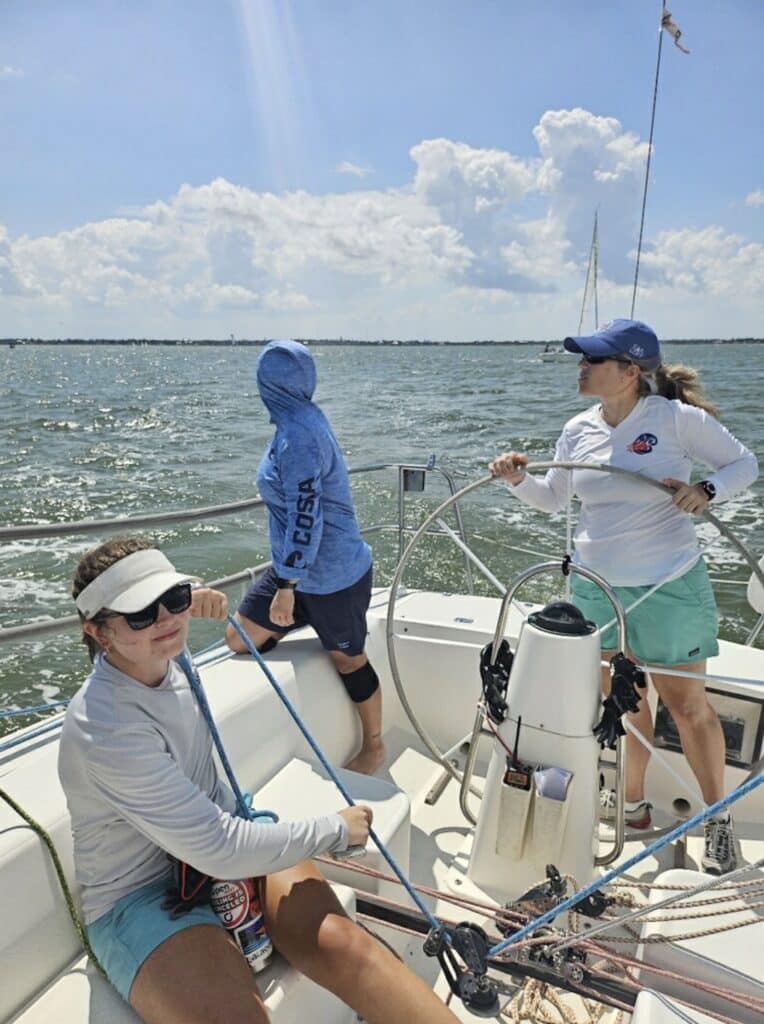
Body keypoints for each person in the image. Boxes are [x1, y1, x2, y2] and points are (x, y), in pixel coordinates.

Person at [58, 537, 459, 1024]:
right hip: (143, 892)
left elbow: (216, 836)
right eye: (140, 613)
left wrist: (176, 608)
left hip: (216, 836)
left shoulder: (159, 653)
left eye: (174, 599)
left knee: (348, 947)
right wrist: (334, 830)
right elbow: (218, 848)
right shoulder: (106, 728)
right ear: (98, 633)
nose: (165, 619)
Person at [489, 319, 758, 875]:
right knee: (626, 703)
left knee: (688, 709)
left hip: (667, 583)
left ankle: (717, 821)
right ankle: (630, 804)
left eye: (593, 359)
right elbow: (552, 498)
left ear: (631, 372)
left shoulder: (676, 420)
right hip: (598, 588)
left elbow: (743, 464)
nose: (581, 367)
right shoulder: (577, 430)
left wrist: (705, 490)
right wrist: (518, 480)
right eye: (582, 358)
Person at [225, 340, 384, 774]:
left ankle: (374, 745)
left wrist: (287, 589)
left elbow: (305, 517)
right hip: (294, 572)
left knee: (348, 659)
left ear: (267, 385)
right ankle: (309, 620)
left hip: (332, 577)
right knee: (240, 639)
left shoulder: (298, 437)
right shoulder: (300, 418)